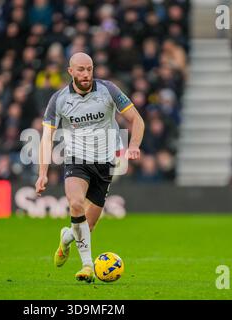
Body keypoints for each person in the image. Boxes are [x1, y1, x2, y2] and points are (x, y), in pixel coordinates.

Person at [35, 53, 145, 283]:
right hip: (77, 160)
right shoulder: (59, 99)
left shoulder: (109, 90)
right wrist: (42, 173)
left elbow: (137, 119)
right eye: (81, 70)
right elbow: (47, 138)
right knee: (75, 204)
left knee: (87, 224)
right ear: (71, 71)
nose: (86, 74)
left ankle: (66, 238)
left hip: (105, 163)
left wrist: (133, 145)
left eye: (89, 69)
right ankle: (87, 266)